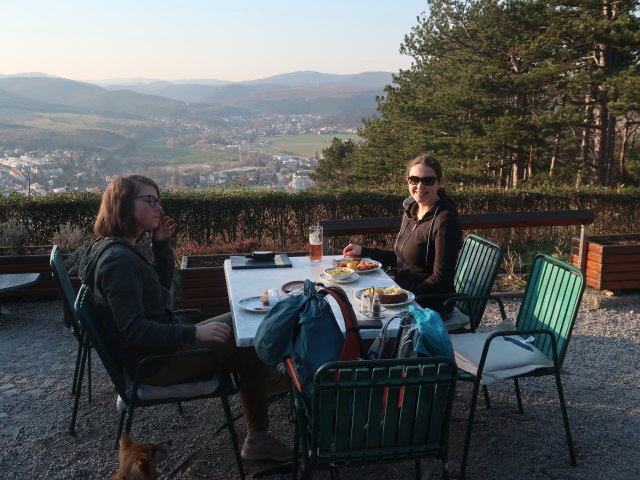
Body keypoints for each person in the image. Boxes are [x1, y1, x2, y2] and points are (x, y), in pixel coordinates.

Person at [78, 174, 291, 462]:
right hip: (156, 363)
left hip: (160, 349)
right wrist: (193, 335)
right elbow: (135, 331)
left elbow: (161, 292)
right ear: (123, 204)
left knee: (244, 334)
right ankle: (273, 391)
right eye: (149, 201)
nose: (159, 208)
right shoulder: (119, 261)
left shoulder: (113, 247)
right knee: (248, 325)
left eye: (158, 201)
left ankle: (261, 425)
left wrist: (161, 245)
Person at [343, 155, 462, 312]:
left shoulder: (445, 220)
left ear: (439, 182)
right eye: (414, 179)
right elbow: (403, 257)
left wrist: (403, 294)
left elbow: (441, 279)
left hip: (428, 303)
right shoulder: (411, 211)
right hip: (405, 291)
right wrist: (364, 251)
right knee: (351, 299)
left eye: (428, 180)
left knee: (360, 312)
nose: (420, 186)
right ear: (408, 181)